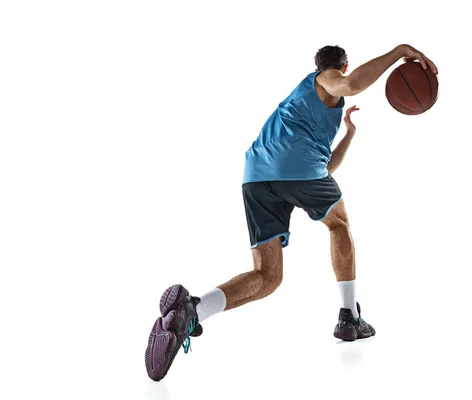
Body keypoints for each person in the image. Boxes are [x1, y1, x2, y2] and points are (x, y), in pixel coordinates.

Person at [145, 44, 438, 381]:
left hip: (257, 175)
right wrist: (400, 52)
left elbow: (325, 168)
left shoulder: (306, 110)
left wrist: (349, 135)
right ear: (342, 66)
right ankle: (349, 315)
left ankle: (191, 311)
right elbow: (352, 85)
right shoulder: (326, 79)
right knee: (338, 224)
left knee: (268, 277)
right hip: (295, 170)